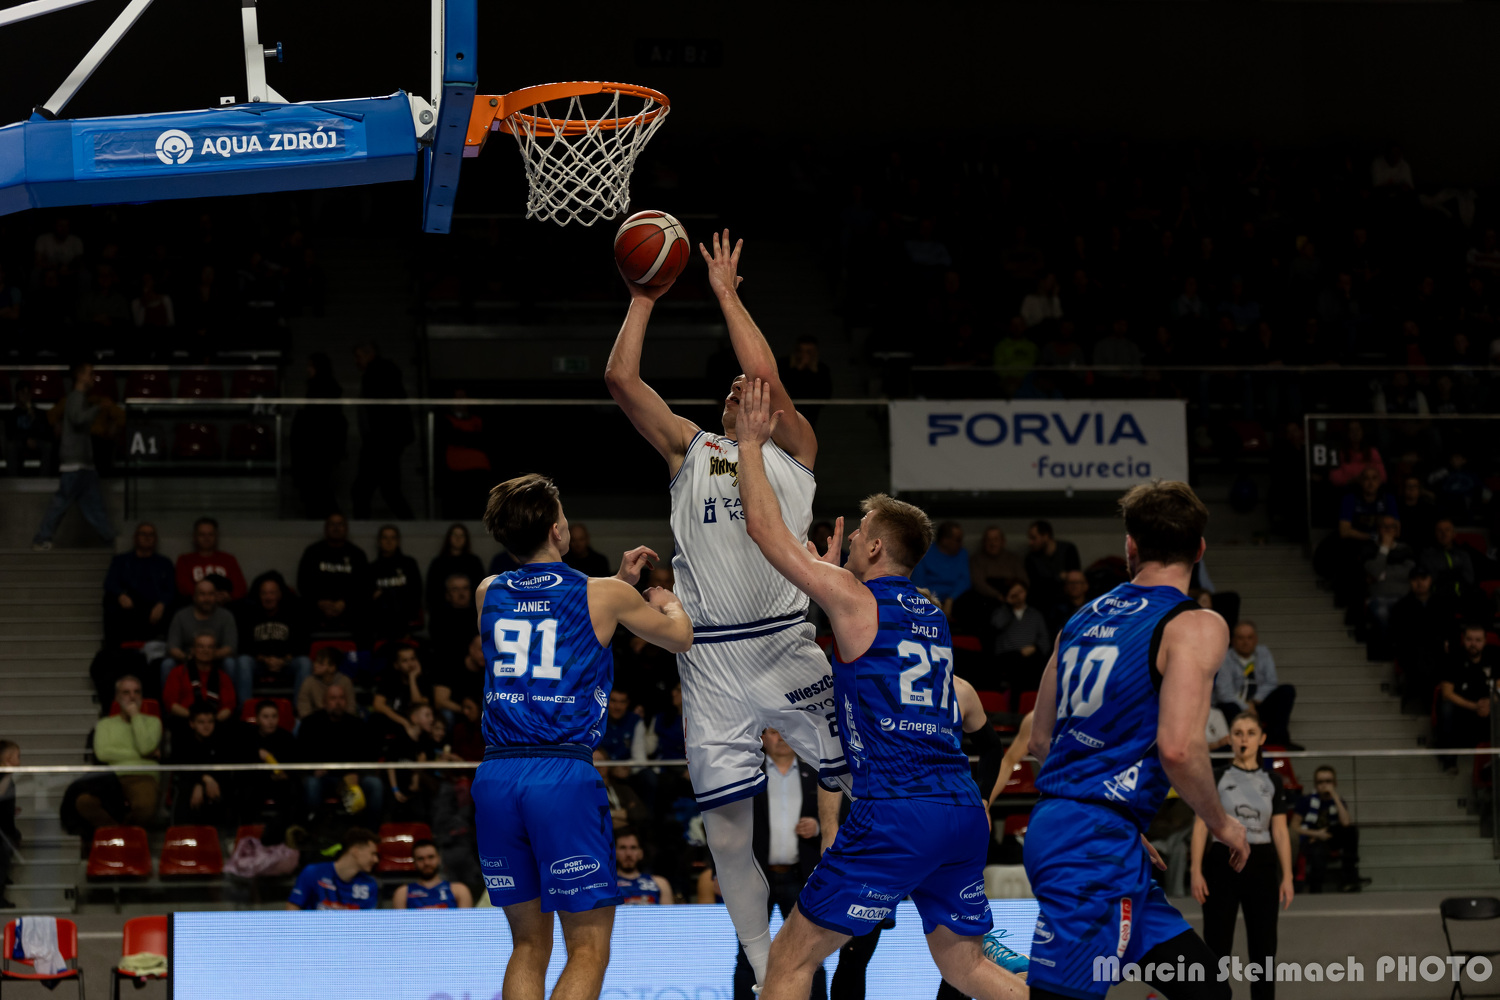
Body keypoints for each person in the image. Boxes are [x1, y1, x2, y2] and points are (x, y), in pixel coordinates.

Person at [605, 234, 848, 992]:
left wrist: (726, 294)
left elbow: (765, 372)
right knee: (728, 838)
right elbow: (620, 379)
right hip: (710, 656)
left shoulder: (794, 447)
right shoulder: (690, 448)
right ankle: (767, 970)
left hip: (786, 644)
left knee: (874, 785)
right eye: (735, 387)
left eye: (754, 385)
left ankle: (923, 909)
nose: (744, 388)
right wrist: (642, 298)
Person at [734, 380, 1024, 1000]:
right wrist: (828, 576)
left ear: (872, 546)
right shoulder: (931, 613)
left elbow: (763, 529)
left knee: (787, 962)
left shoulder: (854, 598)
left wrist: (750, 445)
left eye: (860, 529)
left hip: (898, 810)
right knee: (966, 967)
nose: (852, 537)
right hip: (960, 809)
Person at [1025, 479, 1249, 1000]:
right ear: (1199, 549)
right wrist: (1223, 825)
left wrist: (1113, 811)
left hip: (1082, 827)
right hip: (1092, 844)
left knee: (1207, 990)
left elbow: (1039, 740)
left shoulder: (1079, 620)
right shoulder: (1194, 624)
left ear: (1131, 545)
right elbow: (1178, 749)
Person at [472, 473, 692, 1000]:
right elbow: (680, 639)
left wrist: (616, 585)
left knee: (528, 945)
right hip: (560, 775)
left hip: (496, 776)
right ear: (556, 529)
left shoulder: (487, 591)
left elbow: (549, 623)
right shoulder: (604, 595)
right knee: (588, 948)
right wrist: (665, 601)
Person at [1190, 714, 1294, 1000]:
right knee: (1216, 945)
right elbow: (1200, 824)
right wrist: (1195, 870)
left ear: (1261, 739)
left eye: (1250, 733)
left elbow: (1280, 830)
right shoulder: (1217, 776)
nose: (1244, 738)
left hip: (1261, 862)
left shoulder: (1273, 780)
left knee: (1264, 947)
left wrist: (1287, 876)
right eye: (1237, 733)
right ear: (1231, 739)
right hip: (1222, 860)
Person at [732, 729, 827, 998]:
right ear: (762, 738)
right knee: (748, 955)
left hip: (802, 876)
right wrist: (719, 870)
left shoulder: (816, 774)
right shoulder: (747, 774)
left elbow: (840, 817)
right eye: (774, 732)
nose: (781, 738)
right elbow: (725, 822)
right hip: (755, 876)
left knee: (811, 953)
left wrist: (819, 827)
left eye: (785, 731)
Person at [31, 361, 117, 551]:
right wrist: (98, 408)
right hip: (75, 463)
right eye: (90, 373)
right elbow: (78, 419)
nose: (93, 377)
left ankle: (110, 540)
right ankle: (42, 538)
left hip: (84, 463)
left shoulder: (80, 398)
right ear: (80, 376)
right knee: (63, 502)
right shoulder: (76, 398)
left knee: (94, 505)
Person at [79, 676, 162, 827]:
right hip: (111, 777)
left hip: (143, 776)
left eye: (137, 692)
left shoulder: (153, 722)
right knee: (84, 802)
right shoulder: (105, 724)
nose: (132, 697)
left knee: (145, 807)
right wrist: (142, 756)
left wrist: (135, 716)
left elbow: (145, 747)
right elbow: (102, 753)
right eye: (126, 692)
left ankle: (123, 833)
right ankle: (118, 831)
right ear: (117, 697)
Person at [296, 684, 383, 827]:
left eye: (341, 698)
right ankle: (312, 830)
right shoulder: (310, 723)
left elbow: (369, 755)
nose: (338, 702)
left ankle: (370, 832)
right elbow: (300, 755)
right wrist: (313, 770)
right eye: (333, 698)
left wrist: (357, 773)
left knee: (374, 784)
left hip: (351, 778)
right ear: (324, 702)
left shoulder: (357, 724)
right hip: (322, 778)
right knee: (311, 784)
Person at [351, 341, 415, 519]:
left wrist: (377, 439)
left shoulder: (377, 372)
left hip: (381, 442)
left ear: (370, 355)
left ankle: (362, 527)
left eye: (358, 356)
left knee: (366, 490)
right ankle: (409, 522)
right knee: (387, 490)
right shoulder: (383, 372)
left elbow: (383, 412)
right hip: (384, 441)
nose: (356, 361)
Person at [1214, 622, 1298, 749]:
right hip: (1235, 705)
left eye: (1249, 637)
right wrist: (1246, 706)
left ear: (1256, 639)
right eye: (1241, 638)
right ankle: (1240, 743)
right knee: (1228, 707)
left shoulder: (1264, 653)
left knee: (1287, 691)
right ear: (1233, 640)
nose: (1245, 642)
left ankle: (1276, 739)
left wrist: (1254, 701)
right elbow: (1224, 693)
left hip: (1258, 703)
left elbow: (1271, 682)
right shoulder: (1224, 658)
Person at [1290, 766, 1368, 893]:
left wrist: (1335, 796)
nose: (1324, 785)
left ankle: (1350, 879)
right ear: (1315, 784)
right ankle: (1316, 889)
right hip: (1311, 838)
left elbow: (1346, 822)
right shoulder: (1306, 801)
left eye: (1328, 781)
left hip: (1330, 836)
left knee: (1351, 831)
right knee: (1318, 850)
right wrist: (1317, 834)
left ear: (1334, 783)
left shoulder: (1337, 801)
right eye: (1320, 782)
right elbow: (1293, 826)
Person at [288, 352, 347, 519]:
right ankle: (326, 521)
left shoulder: (323, 387)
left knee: (318, 489)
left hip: (317, 449)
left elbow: (321, 419)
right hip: (318, 448)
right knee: (317, 490)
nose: (308, 369)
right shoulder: (323, 387)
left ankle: (332, 522)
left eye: (311, 366)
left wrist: (302, 416)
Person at [233, 572, 310, 696]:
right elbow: (244, 646)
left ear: (279, 595)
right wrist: (265, 659)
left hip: (286, 663)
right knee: (243, 661)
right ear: (259, 596)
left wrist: (282, 661)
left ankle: (301, 707)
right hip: (260, 664)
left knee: (304, 662)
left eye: (272, 593)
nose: (268, 597)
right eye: (264, 593)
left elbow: (301, 645)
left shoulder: (292, 615)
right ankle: (245, 706)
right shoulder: (250, 615)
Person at [1436, 625, 1499, 773]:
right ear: (1463, 640)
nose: (1473, 644)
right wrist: (1474, 706)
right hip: (1462, 707)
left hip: (1488, 706)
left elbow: (1499, 686)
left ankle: (1496, 760)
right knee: (1446, 706)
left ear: (1485, 641)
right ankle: (1449, 760)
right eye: (1469, 639)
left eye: (1478, 640)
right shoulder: (1453, 658)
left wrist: (1490, 703)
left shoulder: (1495, 656)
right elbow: (1447, 693)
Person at [296, 513, 370, 636]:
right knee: (299, 607)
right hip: (317, 606)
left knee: (366, 609)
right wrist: (319, 602)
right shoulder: (312, 552)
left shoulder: (357, 554)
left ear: (346, 528)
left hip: (349, 607)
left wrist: (344, 603)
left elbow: (364, 586)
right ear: (326, 528)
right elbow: (303, 583)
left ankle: (363, 650)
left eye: (340, 524)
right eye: (332, 524)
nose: (336, 528)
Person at [103, 522, 175, 644]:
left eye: (151, 534)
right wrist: (120, 594)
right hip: (129, 606)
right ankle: (112, 646)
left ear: (156, 539)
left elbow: (171, 589)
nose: (147, 537)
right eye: (143, 534)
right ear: (135, 538)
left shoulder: (164, 563)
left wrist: (162, 604)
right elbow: (109, 582)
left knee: (173, 605)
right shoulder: (121, 560)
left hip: (153, 607)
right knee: (109, 598)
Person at [237, 698, 299, 827]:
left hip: (281, 783)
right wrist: (258, 753)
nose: (270, 721)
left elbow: (294, 764)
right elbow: (243, 765)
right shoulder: (247, 737)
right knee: (246, 790)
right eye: (265, 717)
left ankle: (290, 830)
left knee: (294, 789)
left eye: (274, 716)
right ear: (257, 719)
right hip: (256, 782)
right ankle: (248, 830)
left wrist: (286, 774)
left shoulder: (286, 738)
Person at [286, 827, 381, 910]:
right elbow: (293, 908)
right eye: (372, 854)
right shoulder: (313, 872)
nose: (376, 860)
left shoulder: (370, 884)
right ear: (355, 851)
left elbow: (369, 921)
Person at [169, 702, 231, 825]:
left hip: (216, 784)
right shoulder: (182, 740)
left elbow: (225, 769)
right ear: (192, 724)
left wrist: (203, 782)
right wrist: (203, 780)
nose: (207, 726)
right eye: (201, 722)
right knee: (185, 789)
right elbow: (182, 768)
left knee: (226, 790)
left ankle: (223, 833)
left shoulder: (222, 740)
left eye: (210, 722)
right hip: (189, 784)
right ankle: (181, 833)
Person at [991, 581, 1052, 696]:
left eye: (1020, 592)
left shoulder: (1035, 614)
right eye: (1014, 593)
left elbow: (1045, 640)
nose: (1017, 595)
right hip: (1007, 658)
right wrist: (1007, 605)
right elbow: (997, 625)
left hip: (1031, 657)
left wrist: (1034, 648)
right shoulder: (1001, 612)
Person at [371, 524, 423, 641]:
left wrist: (386, 593)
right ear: (379, 541)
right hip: (380, 625)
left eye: (393, 538)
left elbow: (415, 594)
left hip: (405, 623)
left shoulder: (409, 564)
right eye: (385, 537)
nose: (389, 541)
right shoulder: (372, 568)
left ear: (398, 541)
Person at [174, 516, 247, 600]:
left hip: (226, 603)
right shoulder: (184, 560)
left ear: (216, 536)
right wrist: (208, 596)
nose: (206, 538)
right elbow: (183, 587)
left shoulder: (229, 559)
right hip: (195, 603)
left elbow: (241, 587)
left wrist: (229, 596)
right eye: (202, 534)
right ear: (195, 537)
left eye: (210, 534)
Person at [912, 521, 971, 617]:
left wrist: (950, 599)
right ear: (945, 540)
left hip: (955, 599)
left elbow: (965, 580)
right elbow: (919, 584)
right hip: (929, 599)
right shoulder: (925, 553)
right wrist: (934, 602)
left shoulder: (962, 553)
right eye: (958, 540)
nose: (961, 543)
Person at [394, 838, 474, 909]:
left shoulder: (459, 890)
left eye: (431, 857)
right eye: (420, 859)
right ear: (414, 862)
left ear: (439, 859)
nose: (426, 863)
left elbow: (465, 921)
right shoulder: (403, 893)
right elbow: (400, 922)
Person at [1022, 520, 1080, 612]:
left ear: (1045, 536)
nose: (1030, 542)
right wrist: (1058, 577)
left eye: (1034, 538)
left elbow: (1074, 577)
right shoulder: (1030, 558)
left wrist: (1048, 578)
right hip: (1043, 603)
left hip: (1068, 601)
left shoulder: (1068, 549)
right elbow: (1037, 586)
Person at [426, 523, 484, 612]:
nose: (458, 538)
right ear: (449, 538)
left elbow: (481, 588)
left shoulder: (474, 562)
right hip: (443, 613)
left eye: (462, 535)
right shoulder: (438, 563)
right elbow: (432, 591)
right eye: (455, 535)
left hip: (470, 612)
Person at [968, 527, 1028, 607]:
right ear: (984, 542)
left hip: (1014, 594)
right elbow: (978, 583)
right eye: (989, 540)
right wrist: (997, 595)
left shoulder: (1013, 558)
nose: (992, 543)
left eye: (996, 539)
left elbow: (1024, 580)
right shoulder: (976, 559)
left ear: (1003, 542)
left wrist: (1015, 592)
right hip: (988, 598)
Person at [295, 646, 358, 720]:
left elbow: (351, 706)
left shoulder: (345, 681)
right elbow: (303, 705)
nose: (315, 665)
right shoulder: (309, 681)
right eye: (315, 661)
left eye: (320, 663)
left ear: (332, 668)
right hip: (315, 721)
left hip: (340, 720)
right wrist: (310, 721)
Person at [614, 828, 674, 905]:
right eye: (622, 848)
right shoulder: (606, 885)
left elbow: (668, 912)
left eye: (633, 848)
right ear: (614, 853)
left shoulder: (660, 883)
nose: (628, 853)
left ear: (641, 853)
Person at [435, 634, 486, 719]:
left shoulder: (492, 670)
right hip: (455, 712)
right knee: (447, 714)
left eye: (489, 651)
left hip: (479, 714)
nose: (485, 654)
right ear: (471, 649)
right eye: (482, 650)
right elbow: (439, 701)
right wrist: (466, 711)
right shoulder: (451, 666)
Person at [0, 741, 17, 909]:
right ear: (8, 759)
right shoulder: (4, 777)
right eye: (18, 757)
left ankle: (3, 878)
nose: (20, 761)